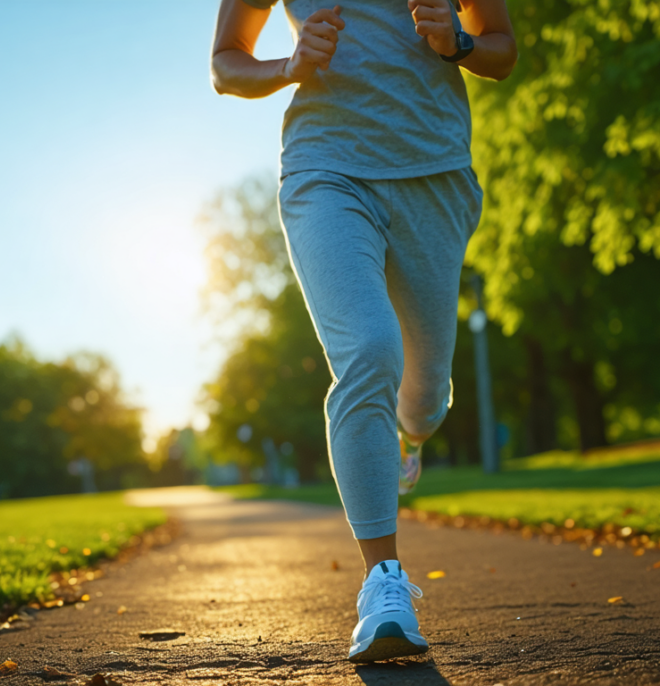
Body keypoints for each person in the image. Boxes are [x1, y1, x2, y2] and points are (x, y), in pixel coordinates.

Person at [210, 0, 516, 663]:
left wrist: (457, 42)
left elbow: (503, 49)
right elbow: (225, 65)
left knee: (424, 396)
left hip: (433, 173)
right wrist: (289, 65)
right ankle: (385, 585)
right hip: (327, 167)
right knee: (370, 351)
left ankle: (414, 430)